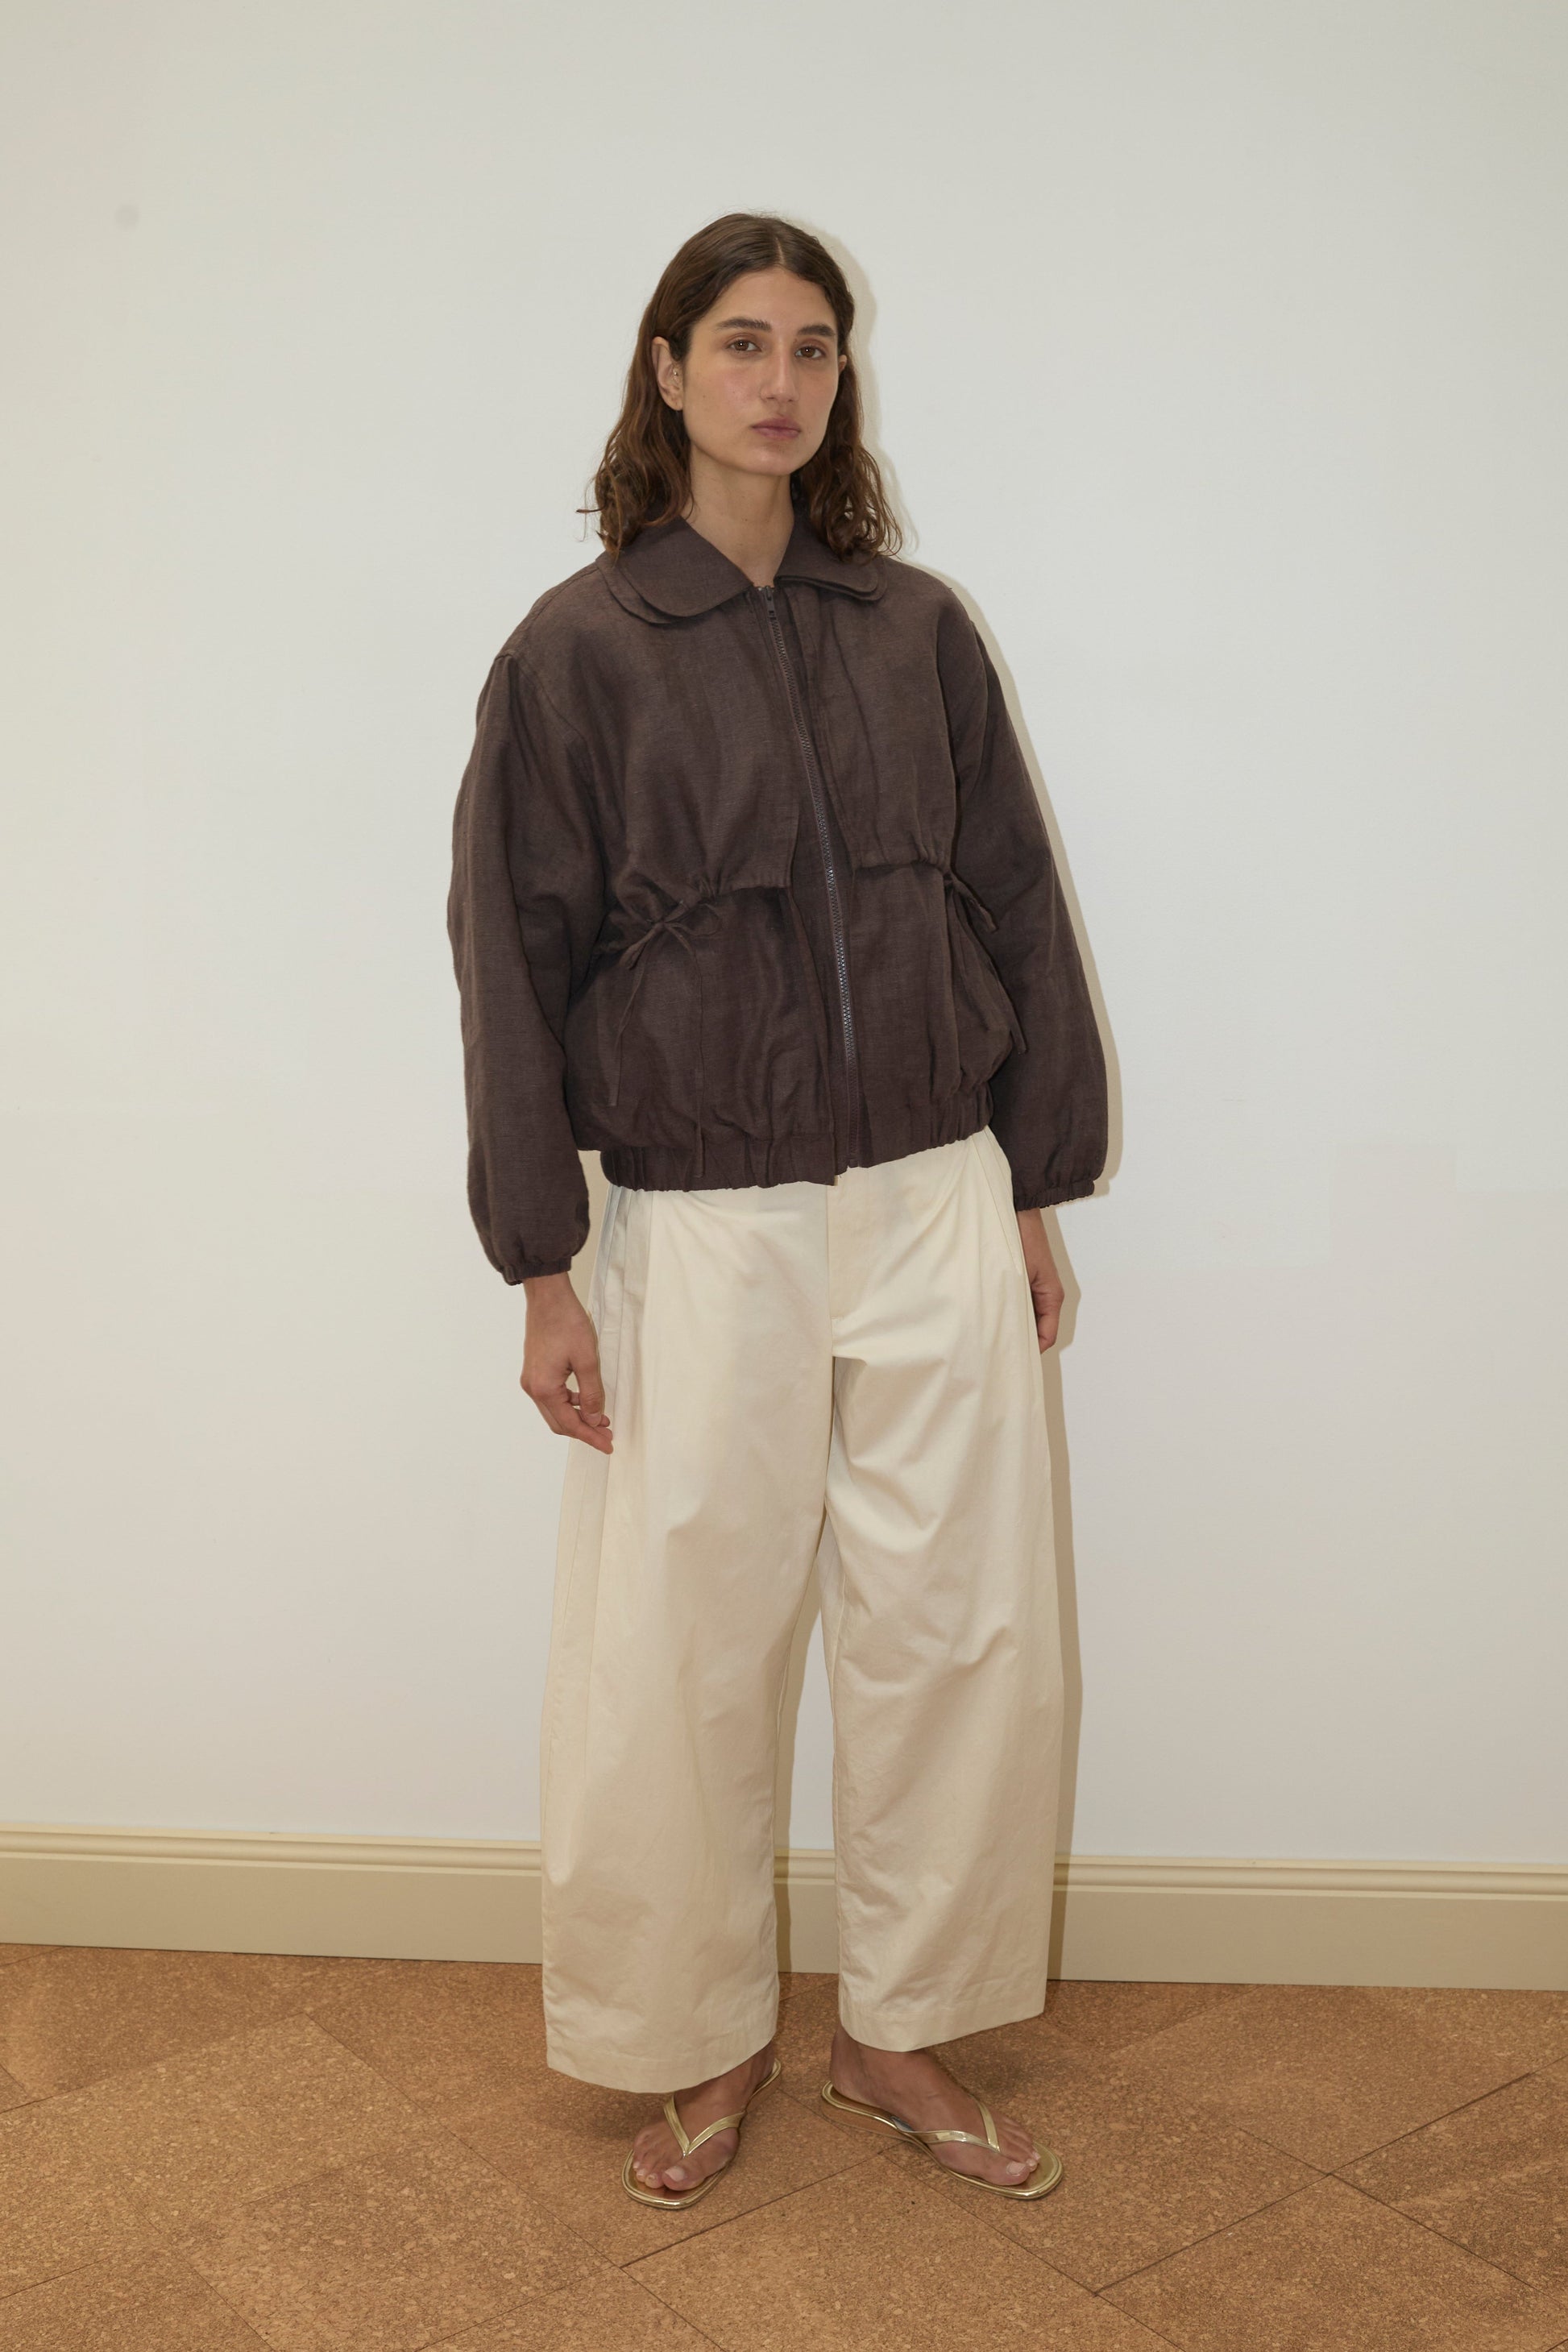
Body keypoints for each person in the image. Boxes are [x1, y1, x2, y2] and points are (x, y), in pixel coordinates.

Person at [447, 212, 1108, 2209]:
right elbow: (509, 956)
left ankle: (896, 2030)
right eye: (740, 342)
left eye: (814, 347)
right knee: (682, 1649)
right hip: (696, 1223)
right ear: (665, 371)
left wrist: (1033, 1180)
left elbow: (1010, 900)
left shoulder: (915, 628)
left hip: (927, 1192)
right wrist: (539, 1261)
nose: (781, 380)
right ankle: (692, 2039)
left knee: (958, 1628)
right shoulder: (575, 651)